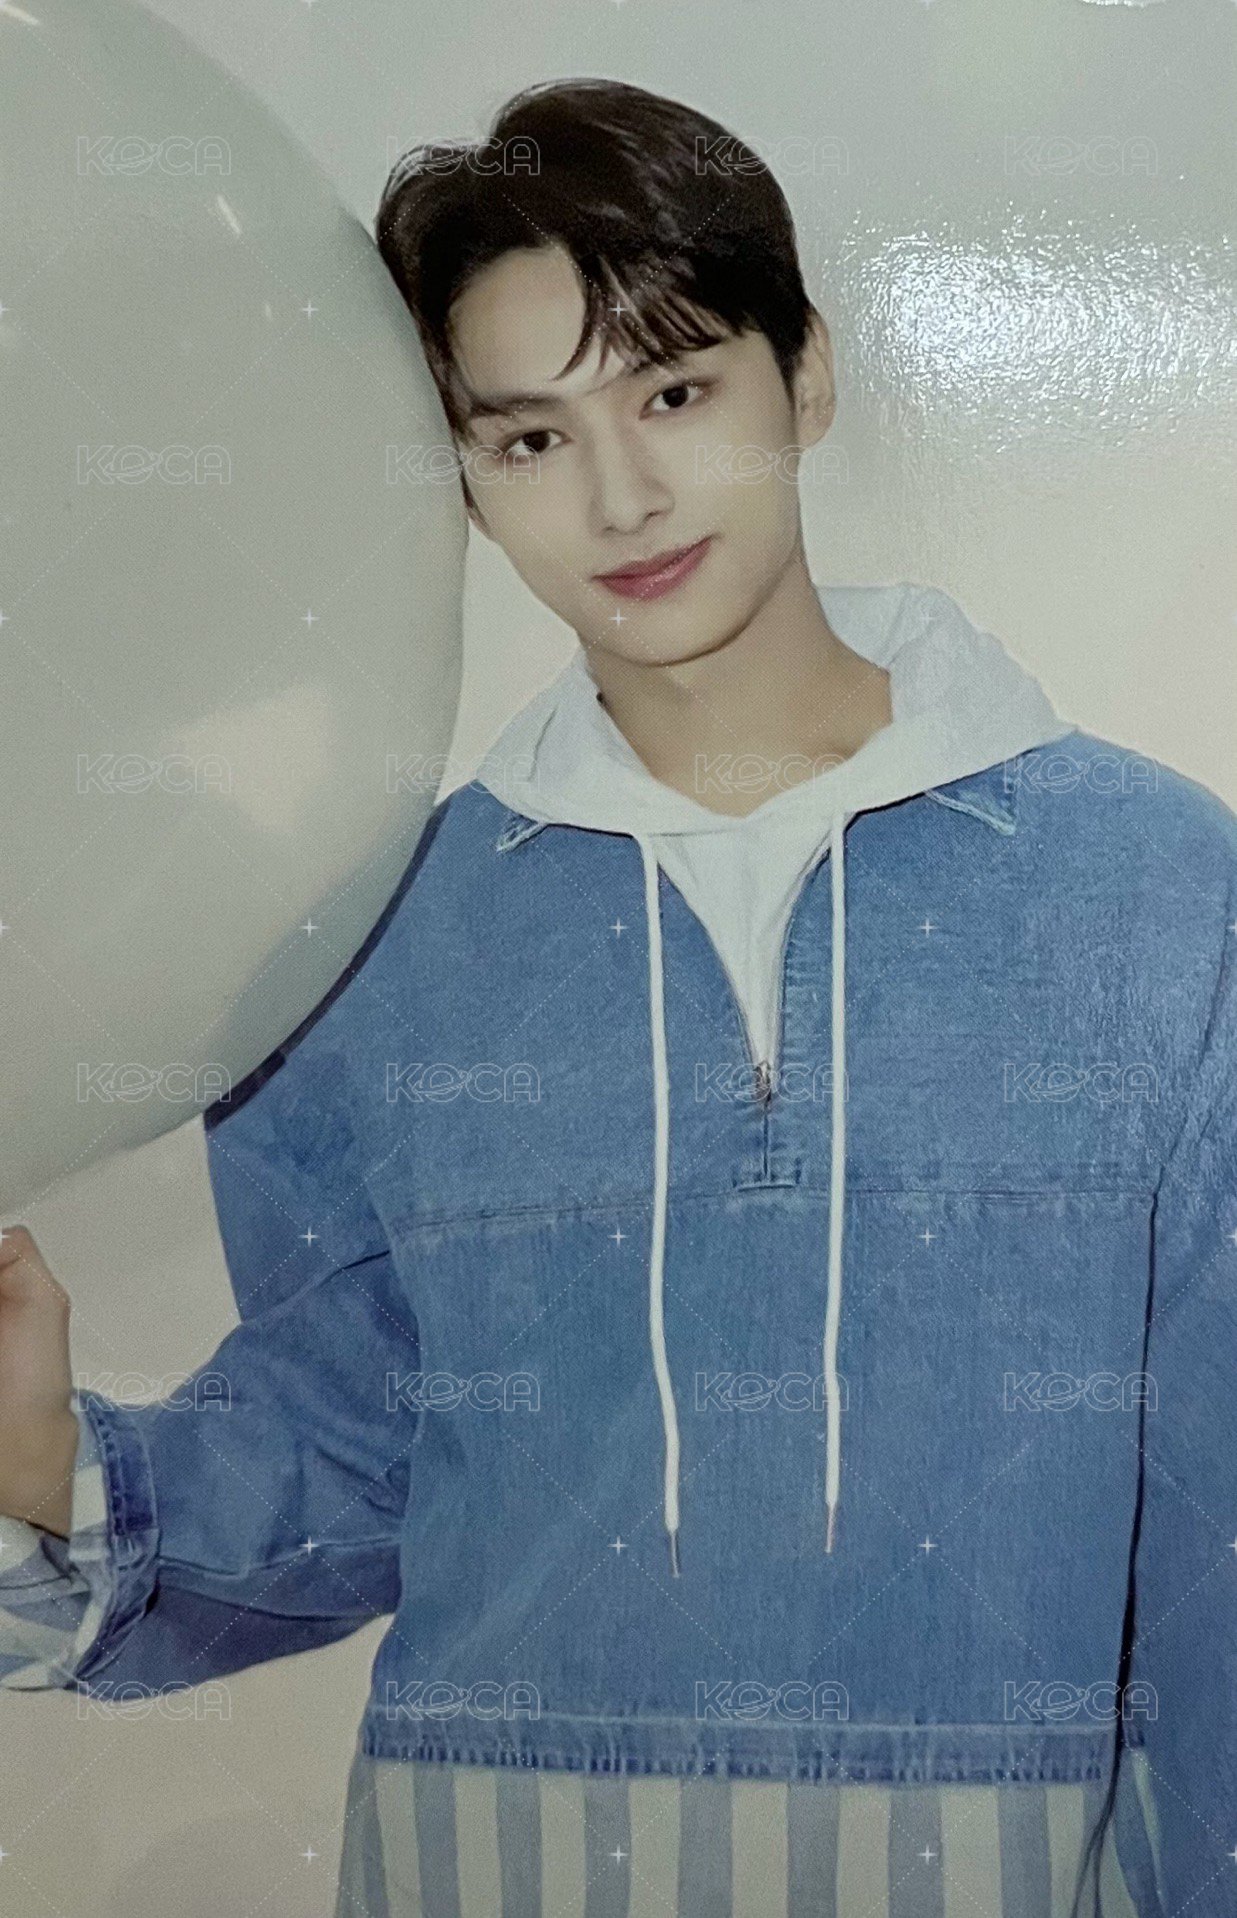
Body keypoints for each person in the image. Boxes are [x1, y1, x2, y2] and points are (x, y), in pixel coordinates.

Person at [2, 75, 1234, 1918]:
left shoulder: (1154, 886)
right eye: (527, 437)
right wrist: (44, 1460)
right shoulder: (379, 936)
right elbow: (356, 1453)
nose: (620, 496)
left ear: (802, 377)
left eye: (672, 392)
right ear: (459, 480)